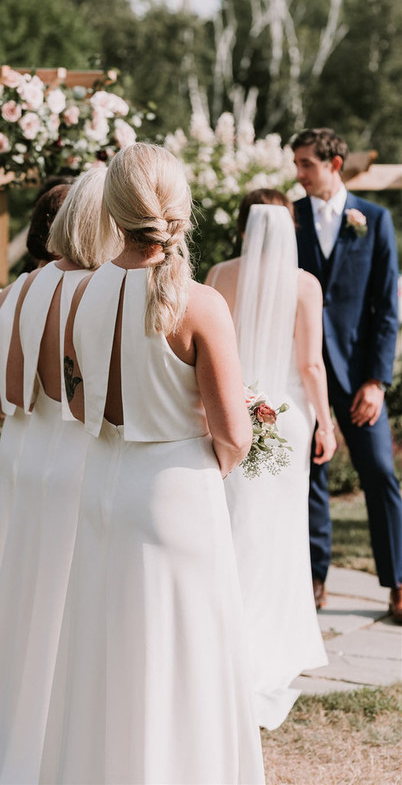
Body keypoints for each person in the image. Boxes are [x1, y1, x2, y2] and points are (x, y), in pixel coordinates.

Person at [40, 143, 265, 783]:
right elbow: (234, 432)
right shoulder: (200, 304)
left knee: (107, 650)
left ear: (113, 208)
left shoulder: (80, 294)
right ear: (180, 208)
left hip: (105, 484)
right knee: (186, 654)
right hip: (176, 491)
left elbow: (81, 402)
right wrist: (210, 465)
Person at [0, 167, 119, 780]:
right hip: (74, 452)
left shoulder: (10, 294)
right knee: (68, 597)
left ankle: (4, 720)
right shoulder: (98, 291)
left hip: (22, 455)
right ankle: (55, 730)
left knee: (21, 588)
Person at [206, 189, 335, 729]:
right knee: (280, 529)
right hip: (284, 414)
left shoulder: (219, 274)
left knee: (233, 522)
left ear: (242, 229)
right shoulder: (305, 284)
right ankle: (269, 642)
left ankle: (219, 640)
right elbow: (309, 364)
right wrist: (325, 421)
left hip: (237, 407)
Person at [291, 127, 402, 623]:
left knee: (379, 472)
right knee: (308, 474)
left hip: (359, 377)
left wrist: (376, 382)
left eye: (306, 164)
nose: (299, 173)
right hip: (303, 371)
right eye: (296, 164)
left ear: (334, 165)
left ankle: (398, 581)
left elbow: (386, 309)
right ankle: (314, 579)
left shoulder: (374, 221)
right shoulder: (287, 219)